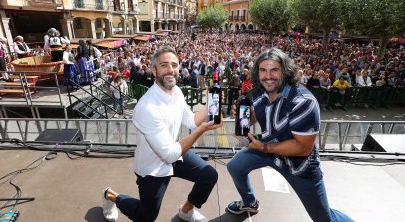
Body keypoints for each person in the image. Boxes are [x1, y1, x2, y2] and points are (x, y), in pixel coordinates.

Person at [226, 48, 353, 222]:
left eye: (274, 70)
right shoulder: (259, 91)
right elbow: (258, 116)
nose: (268, 76)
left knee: (323, 218)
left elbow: (302, 148)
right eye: (263, 70)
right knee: (235, 166)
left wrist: (263, 147)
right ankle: (250, 202)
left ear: (285, 71)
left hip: (298, 165)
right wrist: (245, 118)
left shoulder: (302, 101)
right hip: (269, 148)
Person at [102, 46, 221, 222]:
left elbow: (191, 120)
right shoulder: (147, 107)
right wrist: (201, 130)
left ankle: (186, 211)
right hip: (152, 168)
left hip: (174, 153)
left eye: (174, 64)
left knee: (209, 176)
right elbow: (169, 154)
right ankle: (110, 195)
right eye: (164, 65)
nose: (171, 69)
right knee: (146, 217)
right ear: (154, 70)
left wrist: (211, 103)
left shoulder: (177, 92)